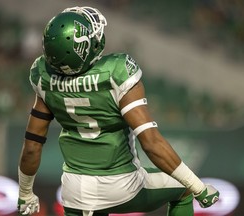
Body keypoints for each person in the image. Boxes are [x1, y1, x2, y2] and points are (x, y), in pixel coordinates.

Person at [17, 6, 219, 216]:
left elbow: (32, 145)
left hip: (74, 192)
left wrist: (25, 193)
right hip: (121, 185)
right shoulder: (116, 71)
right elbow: (151, 142)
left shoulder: (43, 77)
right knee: (183, 188)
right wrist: (199, 188)